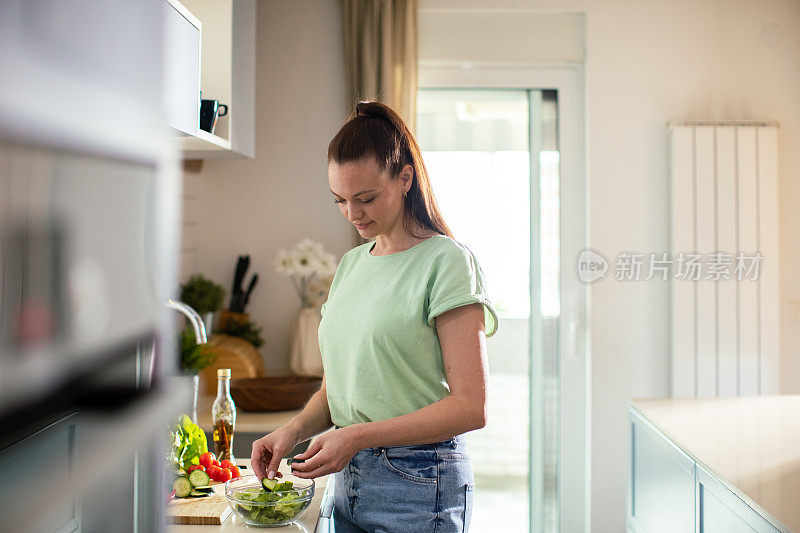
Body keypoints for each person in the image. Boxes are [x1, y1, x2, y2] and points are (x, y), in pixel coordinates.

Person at [250, 101, 498, 532]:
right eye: (340, 200)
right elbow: (342, 387)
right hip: (348, 484)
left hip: (420, 485)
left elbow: (471, 407)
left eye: (365, 198)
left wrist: (356, 436)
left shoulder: (447, 261)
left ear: (405, 179)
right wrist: (292, 430)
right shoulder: (350, 265)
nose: (353, 213)